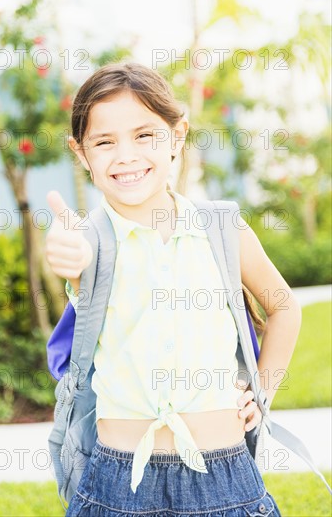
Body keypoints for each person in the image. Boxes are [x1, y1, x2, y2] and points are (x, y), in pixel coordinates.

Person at [45, 62, 301, 516]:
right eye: (104, 142)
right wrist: (70, 259)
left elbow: (284, 307)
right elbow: (77, 269)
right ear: (81, 153)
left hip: (225, 479)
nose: (125, 155)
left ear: (177, 136)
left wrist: (263, 390)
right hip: (115, 485)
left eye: (145, 135)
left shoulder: (222, 228)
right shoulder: (89, 242)